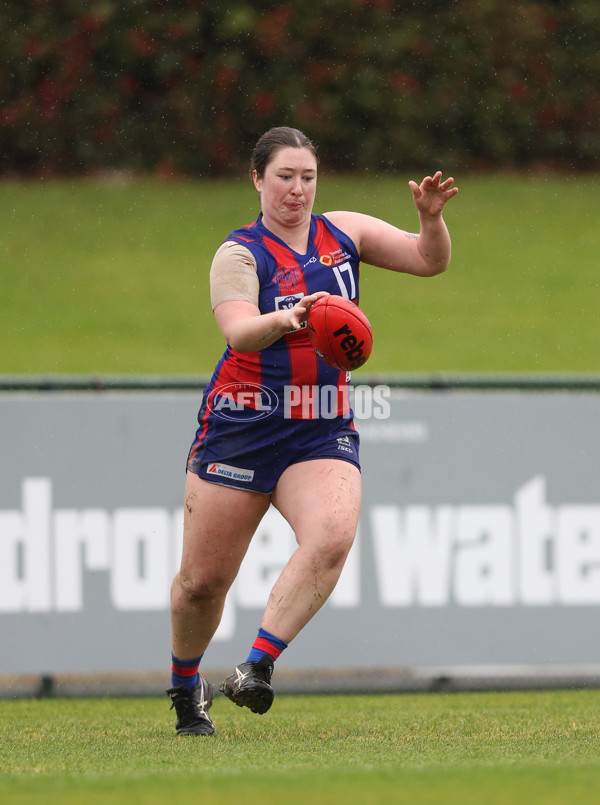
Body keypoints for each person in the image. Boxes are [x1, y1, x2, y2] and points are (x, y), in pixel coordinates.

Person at [166, 126, 458, 736]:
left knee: (332, 535)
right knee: (202, 584)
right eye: (284, 177)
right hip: (242, 424)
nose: (297, 190)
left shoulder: (343, 233)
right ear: (257, 179)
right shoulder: (240, 254)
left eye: (307, 178)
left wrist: (430, 220)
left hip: (320, 423)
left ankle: (256, 667)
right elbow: (239, 332)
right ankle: (186, 686)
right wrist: (288, 315)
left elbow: (429, 261)